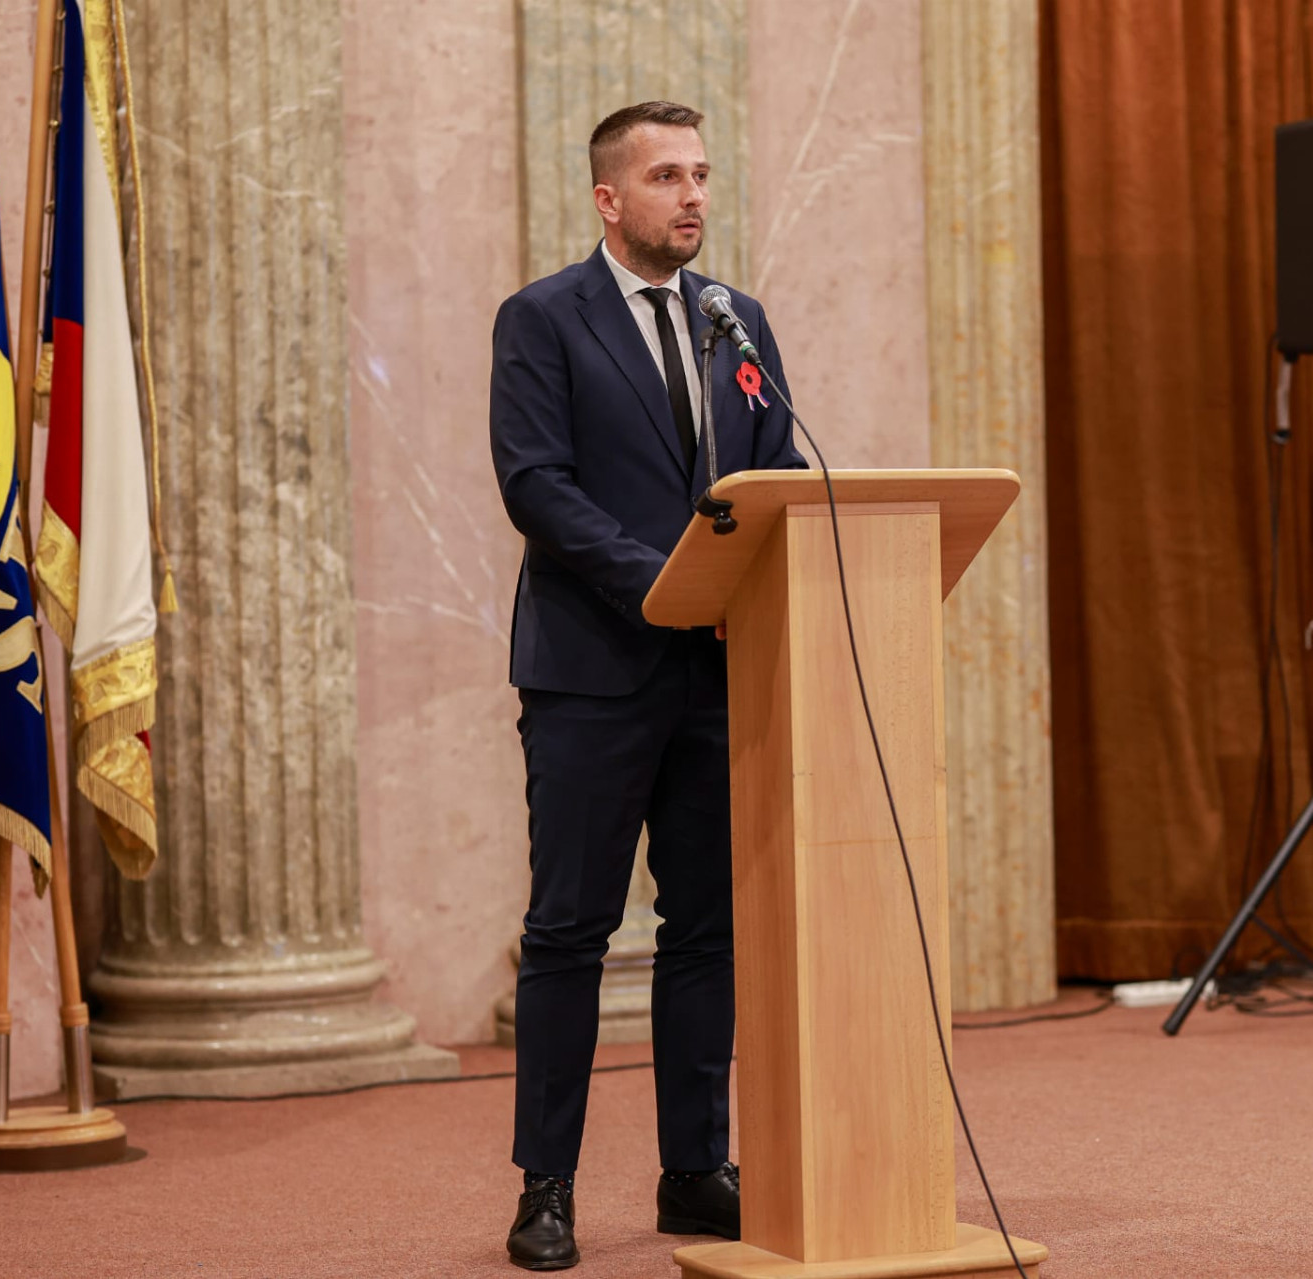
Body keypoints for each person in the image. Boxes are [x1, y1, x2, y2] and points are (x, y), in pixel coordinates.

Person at [488, 99, 805, 1272]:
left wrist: (757, 567)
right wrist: (667, 584)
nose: (694, 197)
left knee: (706, 927)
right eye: (668, 177)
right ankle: (547, 1186)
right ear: (609, 198)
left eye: (703, 175)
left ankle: (693, 1170)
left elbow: (774, 466)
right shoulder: (543, 318)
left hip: (719, 671)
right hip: (593, 672)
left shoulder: (736, 319)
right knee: (568, 930)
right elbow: (536, 485)